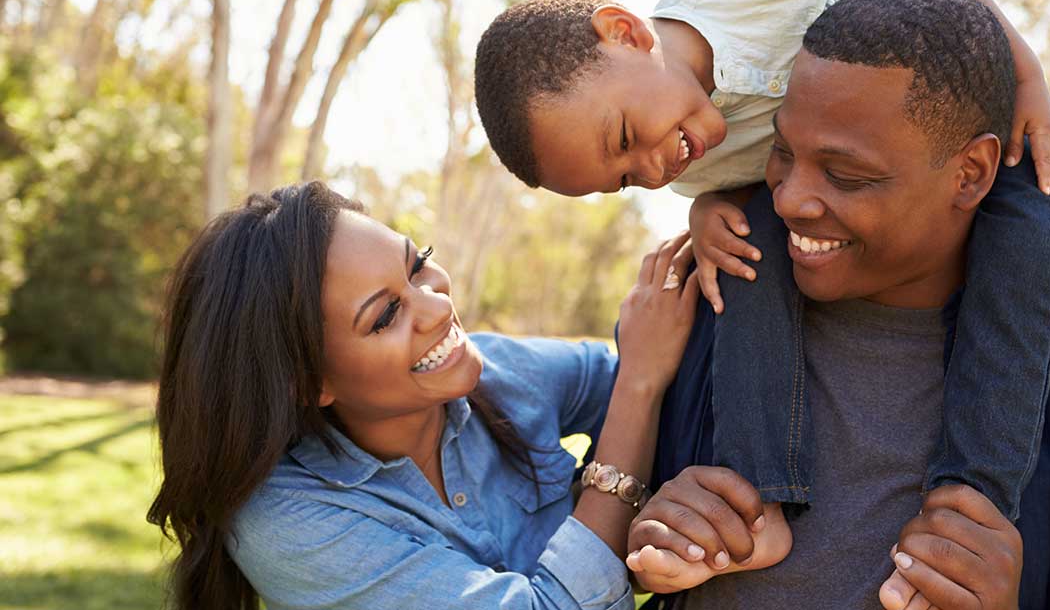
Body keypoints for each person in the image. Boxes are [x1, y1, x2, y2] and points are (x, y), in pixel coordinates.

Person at [473, 0, 1050, 573]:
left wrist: (1024, 77)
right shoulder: (689, 158)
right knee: (742, 255)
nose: (651, 170)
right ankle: (760, 501)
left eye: (623, 138)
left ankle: (971, 500)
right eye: (622, 179)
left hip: (948, 142)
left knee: (1036, 232)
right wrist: (709, 209)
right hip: (834, 210)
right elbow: (751, 187)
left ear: (625, 33)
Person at [625, 0, 1050, 609]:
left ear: (972, 173)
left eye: (847, 175)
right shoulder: (701, 310)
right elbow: (586, 547)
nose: (788, 200)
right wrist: (649, 537)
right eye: (782, 153)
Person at [146, 181, 707, 610]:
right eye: (387, 314)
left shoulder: (499, 373)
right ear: (307, 382)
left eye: (417, 266)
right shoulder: (289, 523)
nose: (438, 306)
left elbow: (677, 382)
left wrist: (712, 213)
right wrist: (638, 387)